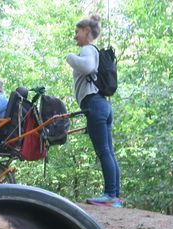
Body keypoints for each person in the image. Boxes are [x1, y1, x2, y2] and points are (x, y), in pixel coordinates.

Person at [66, 16, 122, 208]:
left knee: (103, 151)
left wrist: (70, 58)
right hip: (103, 105)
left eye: (77, 31)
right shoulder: (93, 50)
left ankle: (110, 195)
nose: (75, 36)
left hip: (94, 104)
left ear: (87, 32)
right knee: (109, 152)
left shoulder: (87, 49)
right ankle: (115, 195)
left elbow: (87, 66)